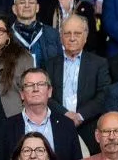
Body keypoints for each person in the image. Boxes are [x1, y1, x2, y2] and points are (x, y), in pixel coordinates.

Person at [43, 14, 110, 146]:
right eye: (67, 33)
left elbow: (104, 94)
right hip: (57, 124)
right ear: (61, 37)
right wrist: (65, 114)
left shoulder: (99, 63)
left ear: (85, 37)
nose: (72, 38)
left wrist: (80, 116)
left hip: (89, 126)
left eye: (77, 34)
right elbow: (45, 94)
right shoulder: (49, 64)